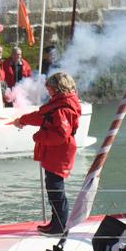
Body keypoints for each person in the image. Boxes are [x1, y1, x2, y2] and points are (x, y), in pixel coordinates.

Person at [12, 71, 82, 235]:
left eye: (49, 88)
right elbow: (41, 117)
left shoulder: (63, 108)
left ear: (57, 88)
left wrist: (39, 136)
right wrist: (22, 120)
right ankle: (56, 222)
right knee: (54, 188)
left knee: (55, 189)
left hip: (59, 153)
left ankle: (59, 227)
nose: (47, 92)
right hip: (56, 152)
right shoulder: (59, 104)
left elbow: (60, 135)